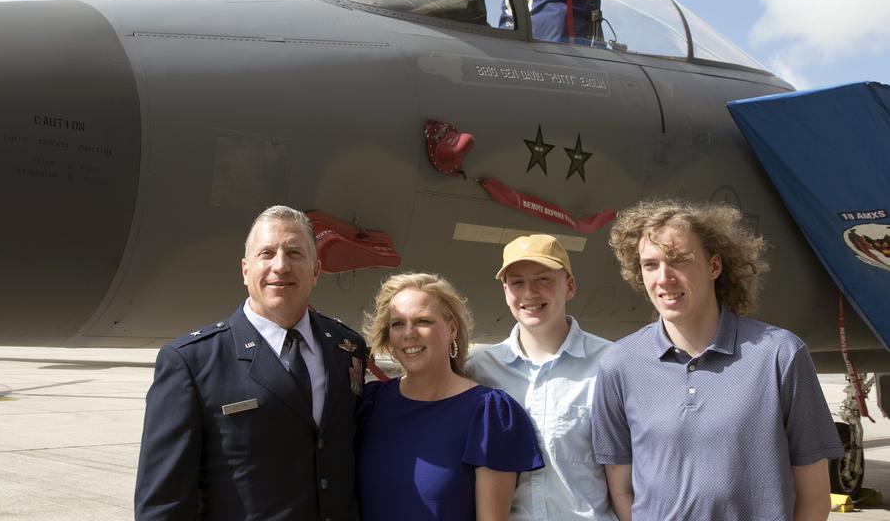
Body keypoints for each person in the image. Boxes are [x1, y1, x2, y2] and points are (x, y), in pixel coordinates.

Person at [593, 199, 844, 521]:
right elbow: (621, 490)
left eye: (679, 260)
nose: (664, 277)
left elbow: (814, 497)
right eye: (650, 264)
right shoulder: (619, 364)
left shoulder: (779, 354)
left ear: (714, 266)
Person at [134, 205, 366, 520]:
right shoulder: (192, 362)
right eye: (266, 253)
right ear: (246, 270)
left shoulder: (347, 348)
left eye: (295, 253)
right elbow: (163, 503)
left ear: (316, 270)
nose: (280, 266)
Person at [356, 272, 544, 521]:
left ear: (452, 328)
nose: (409, 333)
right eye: (398, 323)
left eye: (422, 321)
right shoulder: (370, 403)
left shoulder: (488, 413)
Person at [466, 234, 617, 521]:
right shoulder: (479, 371)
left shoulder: (610, 363)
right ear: (505, 291)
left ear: (569, 286)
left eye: (543, 279)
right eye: (517, 282)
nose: (529, 293)